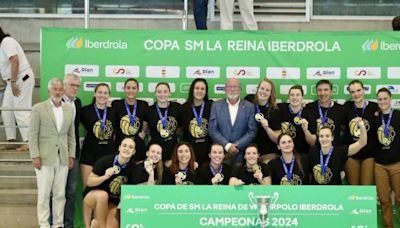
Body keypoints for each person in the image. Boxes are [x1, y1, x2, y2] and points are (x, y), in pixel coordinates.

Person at [29, 78, 75, 228]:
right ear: (49, 91)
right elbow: (32, 134)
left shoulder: (69, 109)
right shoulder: (38, 108)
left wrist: (71, 155)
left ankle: (58, 224)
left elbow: (71, 135)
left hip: (63, 158)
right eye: (55, 89)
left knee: (60, 194)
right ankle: (43, 225)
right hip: (43, 158)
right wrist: (35, 155)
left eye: (60, 89)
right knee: (43, 195)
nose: (58, 92)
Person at [83, 137, 136, 228]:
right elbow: (89, 182)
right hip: (93, 195)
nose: (127, 149)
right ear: (119, 148)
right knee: (103, 196)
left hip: (112, 201)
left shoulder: (133, 167)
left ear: (134, 152)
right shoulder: (106, 160)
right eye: (124, 146)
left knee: (113, 226)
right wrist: (105, 177)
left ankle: (96, 224)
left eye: (130, 147)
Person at [0, 27, 35, 151]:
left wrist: (14, 81)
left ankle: (29, 141)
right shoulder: (1, 46)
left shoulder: (6, 42)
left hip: (21, 79)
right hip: (12, 82)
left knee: (21, 110)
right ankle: (11, 141)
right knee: (6, 110)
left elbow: (15, 60)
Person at [209, 78, 257, 165]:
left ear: (240, 89)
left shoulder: (249, 107)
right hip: (221, 155)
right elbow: (213, 130)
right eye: (230, 86)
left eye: (236, 87)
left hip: (241, 154)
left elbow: (252, 131)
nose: (232, 89)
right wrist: (227, 146)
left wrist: (236, 146)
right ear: (225, 89)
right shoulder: (216, 106)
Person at [309, 120, 367, 185]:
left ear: (332, 138)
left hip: (335, 191)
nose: (324, 139)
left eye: (327, 136)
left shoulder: (340, 151)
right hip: (316, 191)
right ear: (318, 138)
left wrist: (362, 126)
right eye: (321, 136)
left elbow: (362, 143)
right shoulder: (312, 151)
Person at [80, 83, 116, 189]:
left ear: (108, 95)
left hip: (108, 155)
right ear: (95, 94)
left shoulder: (113, 111)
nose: (102, 95)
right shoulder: (85, 110)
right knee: (87, 188)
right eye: (100, 92)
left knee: (106, 190)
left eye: (105, 93)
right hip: (89, 155)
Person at [374, 87, 400, 228]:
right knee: (384, 200)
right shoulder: (375, 117)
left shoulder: (398, 115)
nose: (382, 101)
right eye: (380, 99)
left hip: (397, 163)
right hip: (379, 164)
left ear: (391, 99)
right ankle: (388, 226)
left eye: (385, 98)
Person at [343, 80, 378, 185]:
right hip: (352, 154)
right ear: (350, 93)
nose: (356, 94)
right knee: (353, 188)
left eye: (358, 90)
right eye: (353, 92)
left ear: (364, 90)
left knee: (365, 188)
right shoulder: (347, 107)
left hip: (369, 153)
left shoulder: (374, 107)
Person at [62, 73, 82, 228]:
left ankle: (68, 224)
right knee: (55, 192)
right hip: (56, 155)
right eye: (72, 85)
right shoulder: (55, 102)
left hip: (74, 153)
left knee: (71, 191)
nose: (75, 88)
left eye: (77, 86)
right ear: (64, 85)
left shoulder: (78, 102)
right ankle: (53, 224)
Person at [144, 82, 183, 162]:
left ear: (170, 93)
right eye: (159, 92)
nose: (162, 94)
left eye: (165, 91)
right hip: (155, 151)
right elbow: (145, 130)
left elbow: (180, 128)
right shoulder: (149, 110)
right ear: (155, 93)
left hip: (173, 149)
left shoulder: (177, 108)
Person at [112, 78, 148, 161]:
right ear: (124, 89)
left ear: (138, 90)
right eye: (128, 88)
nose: (130, 90)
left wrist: (143, 131)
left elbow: (145, 121)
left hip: (138, 142)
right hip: (120, 142)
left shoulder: (143, 105)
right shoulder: (116, 104)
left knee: (137, 170)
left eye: (134, 88)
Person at [304, 79, 345, 145]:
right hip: (316, 150)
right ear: (316, 92)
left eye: (326, 90)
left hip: (334, 150)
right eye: (319, 90)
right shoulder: (309, 108)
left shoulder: (340, 109)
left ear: (331, 92)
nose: (322, 93)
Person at [182, 78, 213, 165]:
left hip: (208, 152)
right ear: (192, 90)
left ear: (206, 92)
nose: (199, 91)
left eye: (202, 89)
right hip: (189, 153)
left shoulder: (211, 106)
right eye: (197, 88)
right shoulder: (184, 108)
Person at [252, 79, 281, 163]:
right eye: (262, 88)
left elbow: (277, 139)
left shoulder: (274, 111)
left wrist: (267, 128)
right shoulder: (249, 102)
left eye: (267, 90)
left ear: (271, 94)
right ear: (258, 89)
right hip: (250, 152)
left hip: (268, 153)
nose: (264, 92)